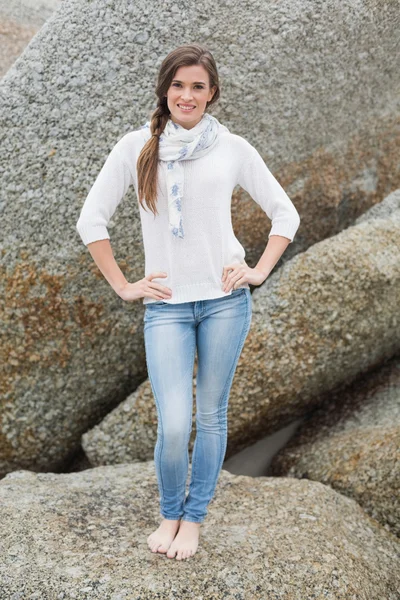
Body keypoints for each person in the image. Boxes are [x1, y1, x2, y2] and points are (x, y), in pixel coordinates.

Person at [76, 43, 300, 561]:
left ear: (212, 93)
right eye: (178, 85)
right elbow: (91, 219)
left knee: (212, 417)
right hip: (167, 308)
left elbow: (284, 214)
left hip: (225, 303)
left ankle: (192, 520)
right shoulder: (136, 147)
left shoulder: (234, 148)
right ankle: (169, 513)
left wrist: (258, 271)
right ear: (165, 90)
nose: (187, 95)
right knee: (175, 423)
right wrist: (124, 285)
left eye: (198, 86)